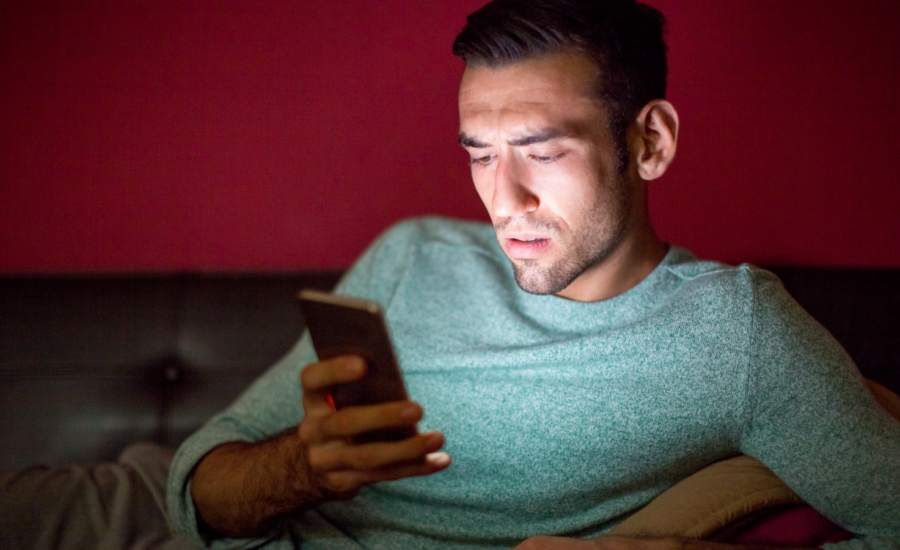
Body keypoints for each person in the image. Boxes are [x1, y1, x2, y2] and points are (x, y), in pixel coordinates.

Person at [167, 1, 900, 549]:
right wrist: (304, 468)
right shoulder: (412, 254)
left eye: (543, 152)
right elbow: (201, 481)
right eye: (480, 154)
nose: (504, 201)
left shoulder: (735, 331)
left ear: (650, 142)